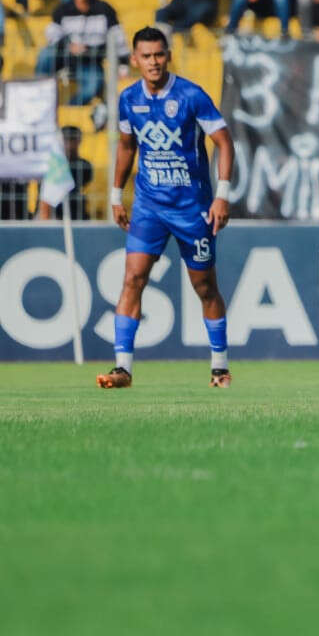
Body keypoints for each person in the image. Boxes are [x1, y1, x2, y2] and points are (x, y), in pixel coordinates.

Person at [98, 27, 235, 390]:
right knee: (132, 279)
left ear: (168, 56)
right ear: (135, 60)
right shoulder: (129, 99)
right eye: (146, 56)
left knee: (205, 288)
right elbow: (127, 148)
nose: (154, 62)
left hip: (193, 209)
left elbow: (223, 141)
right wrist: (115, 195)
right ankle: (122, 368)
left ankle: (219, 366)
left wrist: (221, 194)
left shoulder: (191, 95)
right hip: (148, 206)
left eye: (159, 54)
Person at [37, 0, 129, 105]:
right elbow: (52, 35)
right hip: (66, 57)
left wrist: (123, 64)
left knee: (93, 85)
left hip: (90, 61)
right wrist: (68, 45)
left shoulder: (105, 9)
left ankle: (70, 109)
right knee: (45, 55)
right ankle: (38, 97)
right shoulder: (62, 10)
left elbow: (118, 37)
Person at [37, 126, 93, 221]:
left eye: (72, 139)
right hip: (53, 212)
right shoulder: (48, 164)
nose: (69, 143)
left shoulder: (84, 166)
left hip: (76, 213)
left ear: (79, 140)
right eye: (66, 139)